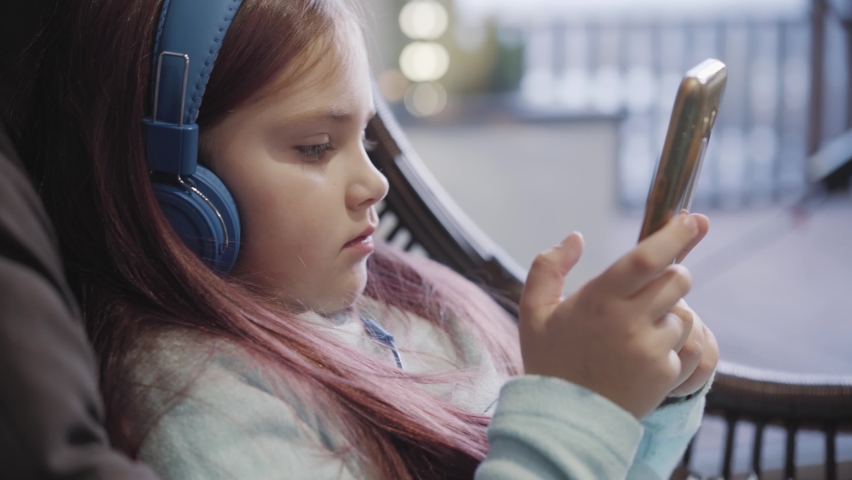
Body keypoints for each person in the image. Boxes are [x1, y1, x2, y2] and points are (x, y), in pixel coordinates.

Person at [6, 0, 718, 478]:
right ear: (183, 194)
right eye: (317, 146)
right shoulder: (199, 397)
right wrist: (574, 408)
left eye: (367, 138)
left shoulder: (417, 304)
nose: (373, 183)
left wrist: (642, 403)